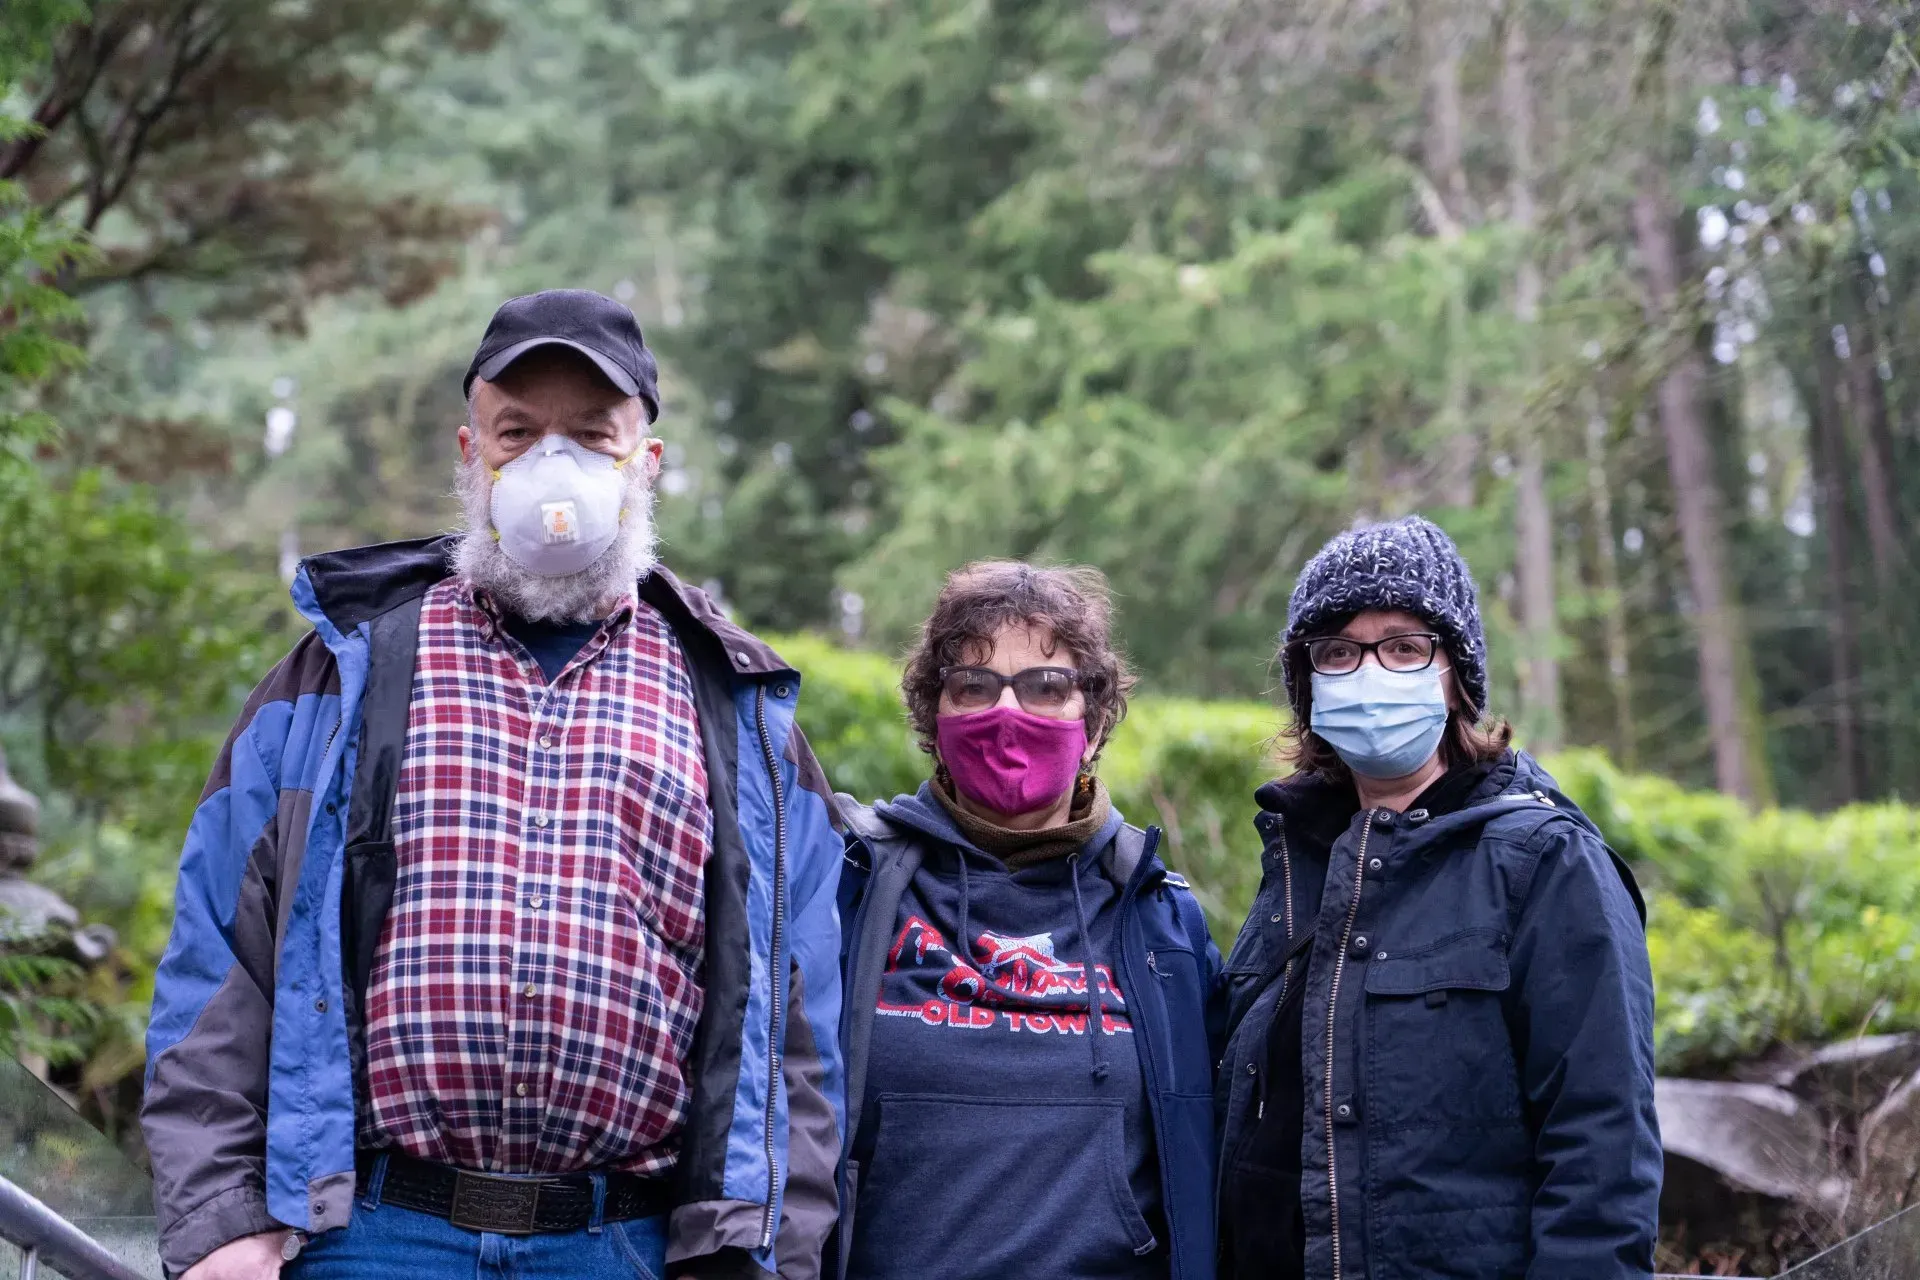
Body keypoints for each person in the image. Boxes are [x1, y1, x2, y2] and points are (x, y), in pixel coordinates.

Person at [142, 290, 846, 1280]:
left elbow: (799, 1032)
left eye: (593, 434)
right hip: (372, 1236)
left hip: (625, 1245)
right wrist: (218, 1217)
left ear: (646, 462)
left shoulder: (736, 711)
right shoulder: (341, 676)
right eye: (520, 430)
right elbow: (220, 953)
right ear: (472, 453)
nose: (553, 463)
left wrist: (769, 1254)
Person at [1215, 516, 1661, 1280]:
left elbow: (1602, 1152)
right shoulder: (1296, 860)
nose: (1369, 673)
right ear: (1307, 681)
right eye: (1337, 652)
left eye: (1403, 646)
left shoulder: (1545, 863)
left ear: (1455, 673)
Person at [832, 561, 1224, 1280]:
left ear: (1095, 717)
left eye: (1047, 686)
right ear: (933, 714)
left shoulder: (1163, 921)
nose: (1007, 713)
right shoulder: (852, 886)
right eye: (974, 686)